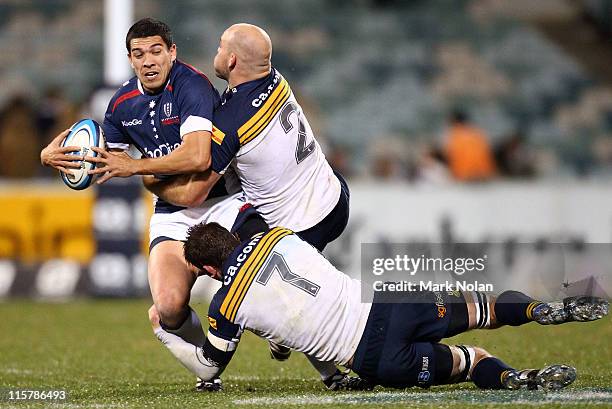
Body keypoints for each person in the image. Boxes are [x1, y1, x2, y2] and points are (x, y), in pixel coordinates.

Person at [152, 221, 609, 391]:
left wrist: (164, 330)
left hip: (371, 356)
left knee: (473, 363)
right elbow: (301, 295)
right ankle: (539, 310)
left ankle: (514, 377)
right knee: (482, 307)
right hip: (386, 304)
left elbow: (210, 368)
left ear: (208, 270)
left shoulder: (224, 304)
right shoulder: (279, 235)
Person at [40, 18, 246, 391]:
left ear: (172, 52)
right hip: (171, 212)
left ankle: (326, 366)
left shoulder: (192, 85)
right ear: (131, 60)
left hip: (225, 203)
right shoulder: (121, 105)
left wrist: (137, 166)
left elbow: (198, 157)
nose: (148, 61)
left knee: (257, 289)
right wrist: (56, 159)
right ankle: (208, 366)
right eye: (139, 54)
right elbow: (102, 162)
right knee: (168, 305)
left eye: (156, 51)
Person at [444, 110, 496, 182]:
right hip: (485, 173)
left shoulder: (455, 135)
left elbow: (452, 156)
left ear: (454, 121)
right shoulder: (477, 133)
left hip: (464, 175)